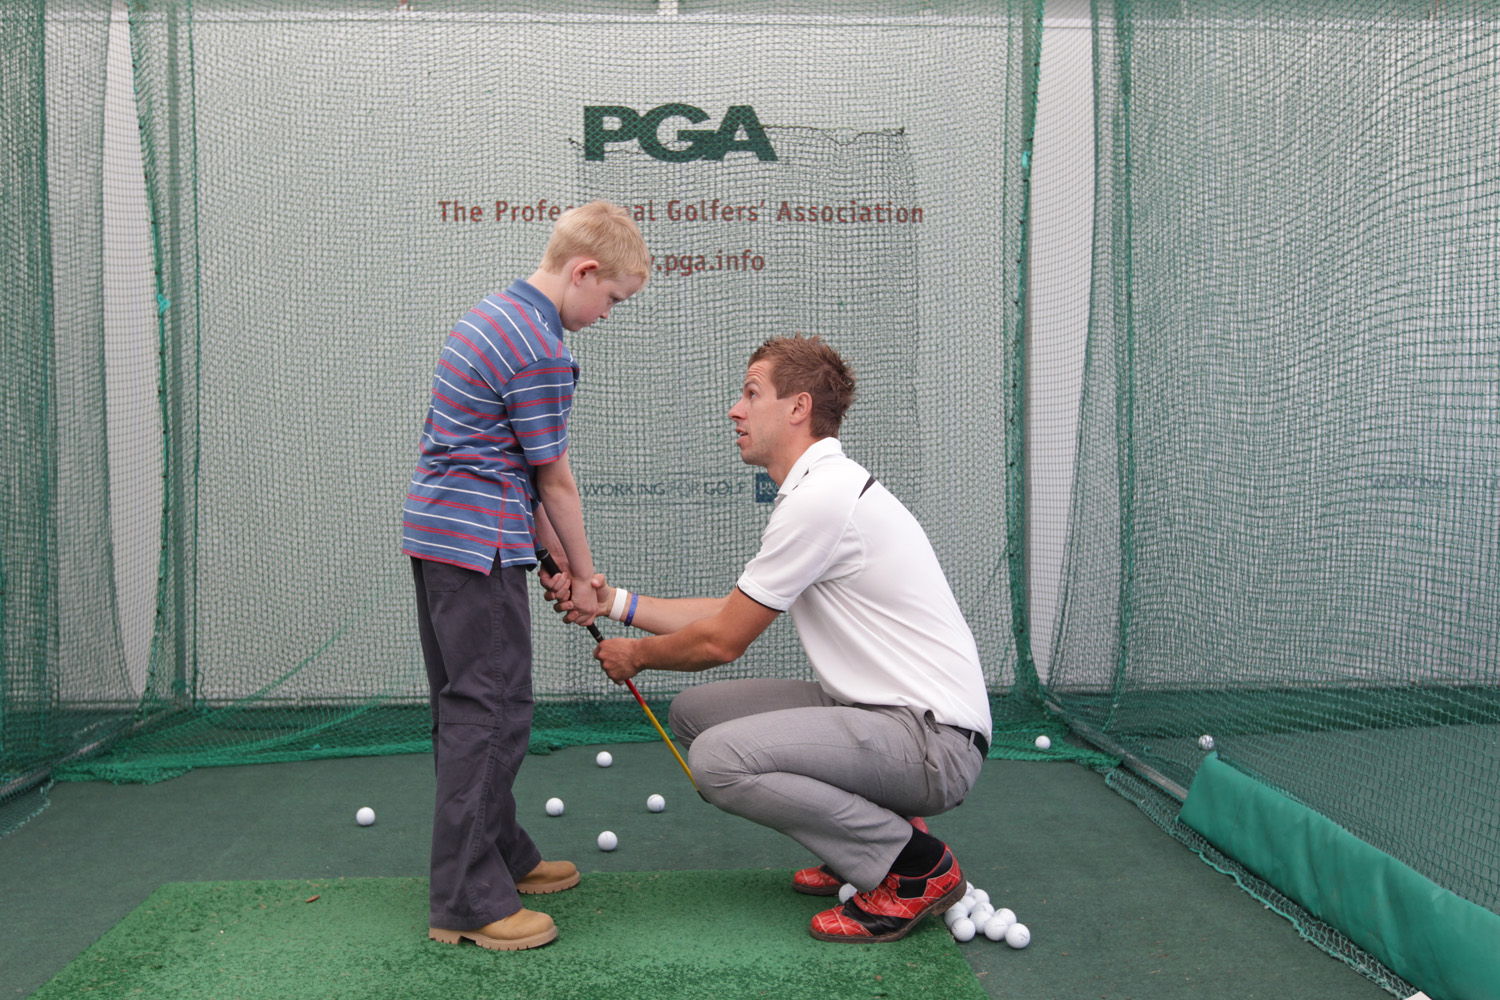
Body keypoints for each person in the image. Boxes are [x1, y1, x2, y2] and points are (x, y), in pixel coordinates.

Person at [566, 334, 991, 943]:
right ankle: (872, 839)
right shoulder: (823, 489)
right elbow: (731, 611)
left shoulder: (822, 498)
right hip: (884, 717)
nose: (735, 409)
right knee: (696, 716)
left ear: (798, 407)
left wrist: (636, 655)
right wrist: (614, 604)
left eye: (751, 393)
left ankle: (912, 867)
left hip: (932, 743)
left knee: (718, 762)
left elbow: (722, 641)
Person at [402, 200, 649, 951]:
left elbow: (501, 463)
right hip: (475, 548)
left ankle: (503, 854)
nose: (607, 315)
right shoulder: (541, 348)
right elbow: (555, 482)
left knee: (470, 707)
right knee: (494, 711)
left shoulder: (492, 313)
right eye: (610, 299)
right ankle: (469, 901)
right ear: (583, 272)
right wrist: (584, 574)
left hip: (443, 534)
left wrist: (545, 560)